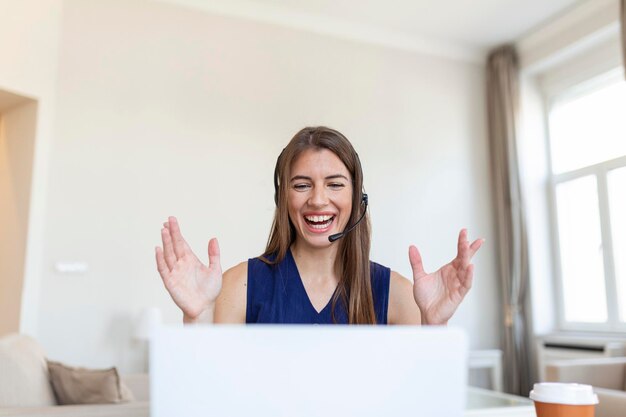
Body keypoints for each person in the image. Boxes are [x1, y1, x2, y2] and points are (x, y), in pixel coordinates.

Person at [155, 126, 484, 325]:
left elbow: (420, 400)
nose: (317, 200)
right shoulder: (238, 286)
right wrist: (196, 317)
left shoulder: (398, 294)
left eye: (335, 184)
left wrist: (434, 326)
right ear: (284, 198)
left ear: (358, 198)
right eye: (301, 185)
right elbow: (212, 396)